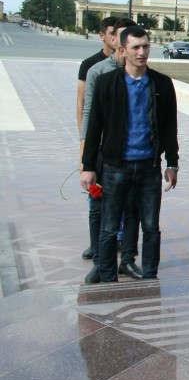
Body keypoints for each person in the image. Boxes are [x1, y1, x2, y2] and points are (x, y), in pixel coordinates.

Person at [80, 25, 179, 283]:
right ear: (122, 50)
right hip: (115, 166)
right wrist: (88, 166)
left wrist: (172, 162)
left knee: (150, 226)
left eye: (146, 46)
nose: (142, 52)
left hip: (148, 167)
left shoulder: (162, 83)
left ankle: (149, 276)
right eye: (136, 47)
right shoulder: (106, 83)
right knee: (110, 226)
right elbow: (94, 128)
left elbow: (169, 126)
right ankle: (108, 277)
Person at [81, 17, 142, 279]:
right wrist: (85, 155)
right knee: (100, 206)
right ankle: (100, 257)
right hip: (103, 152)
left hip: (131, 154)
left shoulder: (143, 74)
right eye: (116, 36)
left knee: (131, 208)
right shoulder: (97, 71)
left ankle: (127, 258)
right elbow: (89, 113)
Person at [77, 18, 117, 261]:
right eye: (112, 34)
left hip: (118, 147)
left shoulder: (132, 67)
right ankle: (96, 244)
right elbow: (83, 107)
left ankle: (118, 241)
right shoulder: (91, 66)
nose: (116, 39)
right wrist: (84, 149)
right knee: (96, 196)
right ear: (103, 35)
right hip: (97, 144)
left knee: (121, 201)